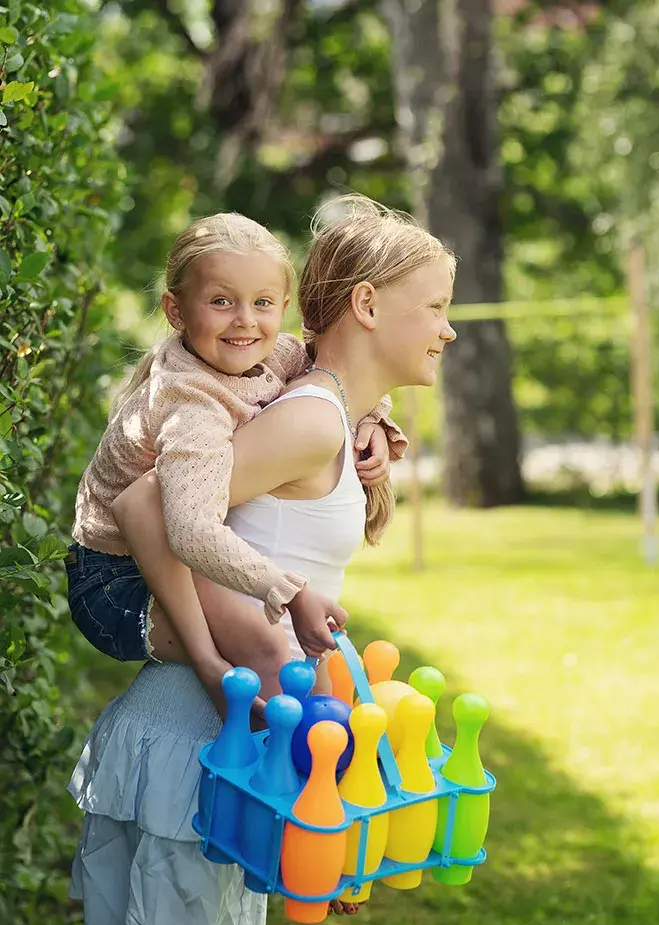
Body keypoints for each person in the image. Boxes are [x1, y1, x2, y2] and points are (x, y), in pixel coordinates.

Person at [68, 195, 457, 925]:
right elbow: (147, 506)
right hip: (206, 728)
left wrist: (375, 424)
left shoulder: (315, 403)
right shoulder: (310, 420)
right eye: (439, 307)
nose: (449, 328)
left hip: (243, 728)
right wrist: (213, 655)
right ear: (369, 305)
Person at [65, 211, 407, 714]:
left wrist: (374, 420)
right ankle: (243, 734)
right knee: (268, 648)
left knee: (285, 657)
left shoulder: (274, 354)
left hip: (161, 546)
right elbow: (189, 532)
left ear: (283, 307)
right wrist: (287, 593)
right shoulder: (192, 408)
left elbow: (341, 372)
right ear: (176, 311)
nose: (245, 320)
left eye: (262, 303)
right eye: (221, 302)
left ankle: (303, 757)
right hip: (114, 581)